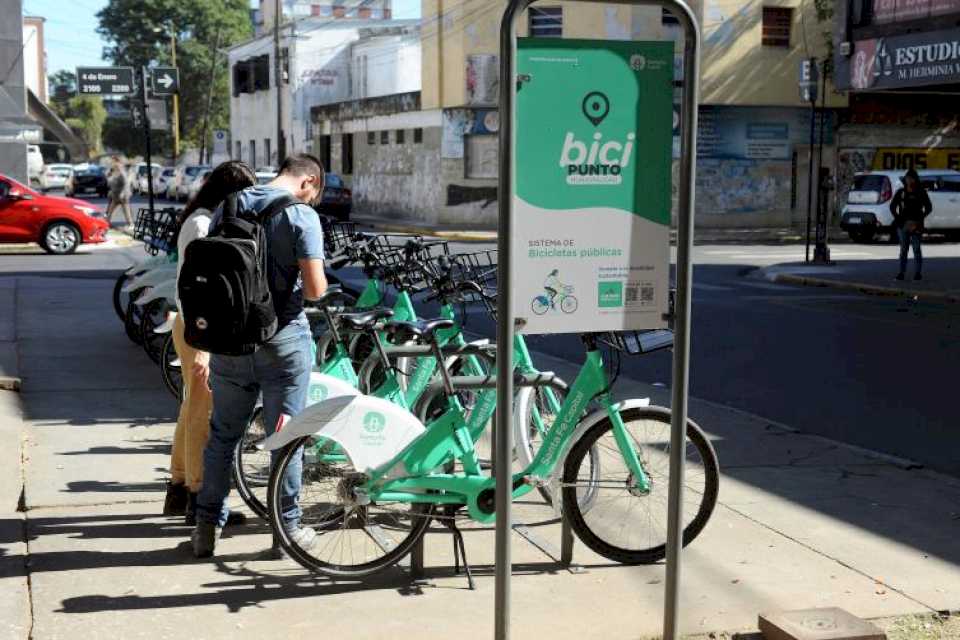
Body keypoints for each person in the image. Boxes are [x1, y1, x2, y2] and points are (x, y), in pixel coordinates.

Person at [192, 154, 328, 558]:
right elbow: (315, 290)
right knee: (286, 442)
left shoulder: (228, 206)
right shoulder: (301, 216)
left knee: (222, 436)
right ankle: (285, 534)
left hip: (230, 343)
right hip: (283, 342)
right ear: (309, 182)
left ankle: (205, 531)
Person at [163, 161, 257, 525]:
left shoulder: (199, 218)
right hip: (198, 326)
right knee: (203, 413)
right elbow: (199, 285)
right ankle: (199, 497)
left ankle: (180, 485)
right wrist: (204, 341)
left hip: (192, 324)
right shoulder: (203, 224)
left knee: (192, 408)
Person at [890, 168, 932, 281]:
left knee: (916, 249)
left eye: (911, 179)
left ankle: (918, 273)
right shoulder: (901, 193)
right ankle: (901, 273)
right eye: (907, 179)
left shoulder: (921, 193)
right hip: (903, 225)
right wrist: (899, 219)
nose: (909, 181)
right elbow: (892, 207)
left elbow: (929, 208)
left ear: (915, 180)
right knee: (903, 250)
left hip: (916, 225)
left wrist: (919, 220)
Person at [105, 157, 133, 228]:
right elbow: (110, 182)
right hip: (116, 195)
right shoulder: (114, 173)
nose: (113, 165)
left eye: (114, 164)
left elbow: (125, 183)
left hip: (123, 196)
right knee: (110, 210)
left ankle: (131, 224)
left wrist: (123, 193)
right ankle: (106, 223)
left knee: (126, 210)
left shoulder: (121, 173)